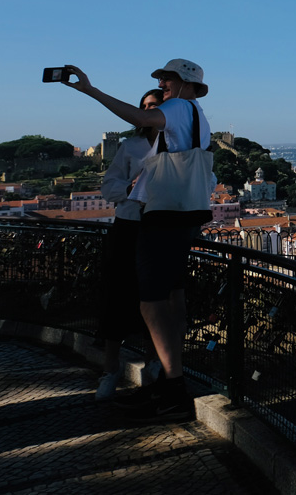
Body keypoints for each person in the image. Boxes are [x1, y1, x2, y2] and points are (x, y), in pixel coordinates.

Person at [63, 59, 212, 422]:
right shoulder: (198, 116)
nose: (161, 84)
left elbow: (140, 118)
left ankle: (173, 389)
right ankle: (164, 384)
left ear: (186, 82)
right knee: (170, 299)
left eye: (167, 78)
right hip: (186, 215)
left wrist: (90, 90)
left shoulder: (178, 106)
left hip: (164, 217)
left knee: (151, 303)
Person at [95, 88, 163, 400]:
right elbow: (108, 187)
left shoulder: (178, 146)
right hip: (127, 226)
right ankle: (110, 370)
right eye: (144, 106)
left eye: (154, 106)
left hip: (160, 227)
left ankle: (153, 366)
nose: (148, 111)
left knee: (155, 299)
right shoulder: (130, 146)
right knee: (116, 297)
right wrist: (130, 188)